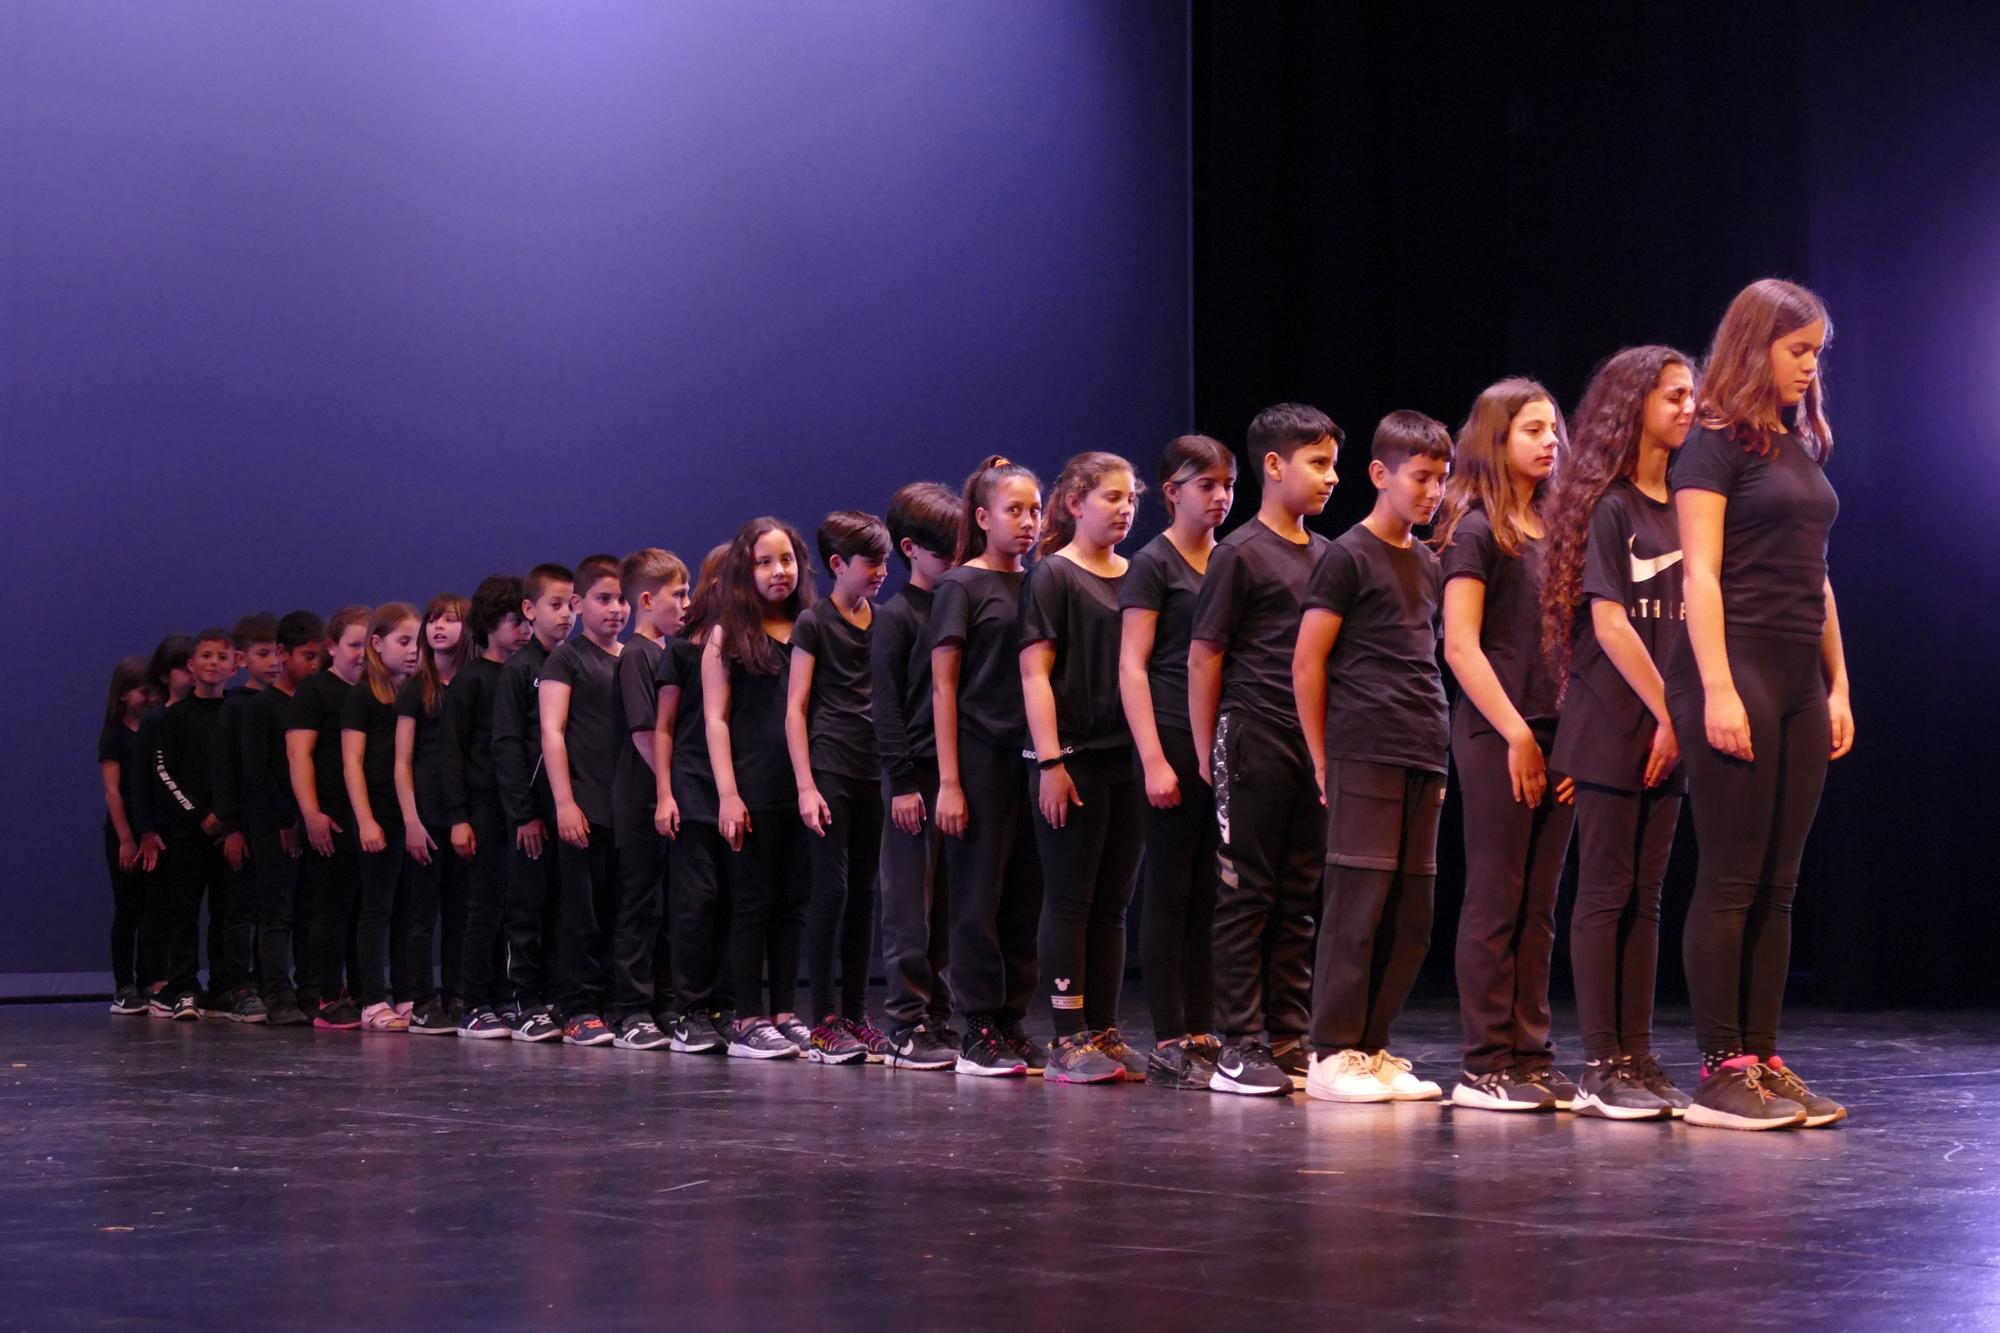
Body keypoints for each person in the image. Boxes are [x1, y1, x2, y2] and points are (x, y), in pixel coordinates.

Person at [1668, 278, 1852, 1131]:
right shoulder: (1713, 443)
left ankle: (1764, 1057)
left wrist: (1838, 682)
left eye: (1817, 352)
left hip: (1797, 677)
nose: (1812, 367)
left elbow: (1817, 577)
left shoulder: (1800, 445)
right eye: (1799, 350)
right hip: (1733, 665)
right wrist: (1715, 686)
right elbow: (1699, 572)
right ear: (1757, 345)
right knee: (1734, 875)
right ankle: (1719, 1065)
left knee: (1780, 884)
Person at [1541, 346, 1698, 1120]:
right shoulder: (1611, 507)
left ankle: (1636, 1052)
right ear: (1634, 404)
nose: (1689, 408)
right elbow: (1608, 621)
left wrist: (1685, 714)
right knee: (1606, 890)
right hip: (1615, 720)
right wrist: (1670, 710)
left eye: (1691, 395)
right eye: (1674, 395)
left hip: (1673, 722)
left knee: (1650, 893)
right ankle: (1600, 1062)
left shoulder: (1686, 505)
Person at [1294, 411, 1454, 1104]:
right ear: (1381, 474)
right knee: (1357, 903)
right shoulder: (1347, 555)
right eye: (1421, 477)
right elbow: (1307, 663)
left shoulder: (1428, 561)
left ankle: (1371, 1044)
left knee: (1411, 911)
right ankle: (1331, 1051)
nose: (1433, 492)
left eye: (1442, 479)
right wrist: (1322, 757)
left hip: (1424, 748)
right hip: (1363, 745)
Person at [1187, 404, 1338, 1094]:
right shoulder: (1239, 553)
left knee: (1300, 894)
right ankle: (1239, 1040)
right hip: (1251, 738)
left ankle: (1287, 1031)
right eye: (1317, 463)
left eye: (1334, 463)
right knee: (1247, 894)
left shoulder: (1332, 556)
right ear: (1274, 466)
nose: (1330, 477)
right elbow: (1203, 658)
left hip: (1313, 748)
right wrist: (1204, 752)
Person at [1437, 379, 1578, 1112]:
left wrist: (1573, 740)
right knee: (1497, 894)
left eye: (1552, 428)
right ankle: (1485, 1059)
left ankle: (1529, 1051)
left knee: (1541, 900)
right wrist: (1519, 732)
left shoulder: (1557, 530)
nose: (1550, 440)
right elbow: (1461, 646)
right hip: (1498, 728)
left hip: (1558, 729)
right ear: (1498, 439)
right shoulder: (1474, 532)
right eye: (1532, 429)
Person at [1020, 453, 1145, 1084]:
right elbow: (1035, 673)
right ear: (1075, 503)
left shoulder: (1138, 574)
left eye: (1132, 499)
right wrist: (1051, 761)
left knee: (1114, 903)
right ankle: (1066, 1036)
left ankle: (1104, 1027)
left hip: (1128, 760)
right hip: (1074, 759)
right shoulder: (1053, 576)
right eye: (1112, 497)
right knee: (1070, 899)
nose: (1125, 509)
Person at [1119, 435, 1234, 1089]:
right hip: (1167, 735)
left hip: (1219, 745)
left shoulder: (1230, 560)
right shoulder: (1153, 564)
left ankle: (1205, 1026)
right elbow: (1132, 666)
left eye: (1226, 486)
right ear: (1172, 492)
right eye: (1206, 485)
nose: (1219, 497)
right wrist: (1155, 758)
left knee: (1211, 891)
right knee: (1169, 889)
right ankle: (1170, 1034)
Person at [932, 456, 1046, 1076]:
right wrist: (949, 780)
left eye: (1035, 510)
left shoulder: (1041, 580)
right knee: (977, 892)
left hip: (1033, 755)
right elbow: (944, 687)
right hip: (978, 753)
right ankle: (975, 1023)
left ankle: (1012, 1020)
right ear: (982, 517)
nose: (1028, 522)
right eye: (1014, 510)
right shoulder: (961, 586)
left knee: (1025, 893)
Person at [704, 518, 818, 1059]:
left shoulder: (811, 628)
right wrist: (728, 793)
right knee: (752, 902)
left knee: (793, 903)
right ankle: (748, 1018)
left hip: (804, 788)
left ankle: (784, 1012)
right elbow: (716, 719)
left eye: (787, 560)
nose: (779, 572)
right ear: (744, 572)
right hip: (752, 787)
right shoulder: (727, 635)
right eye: (766, 562)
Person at [788, 511, 892, 1064]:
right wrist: (806, 785)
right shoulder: (815, 622)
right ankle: (823, 1019)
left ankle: (856, 1014)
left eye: (884, 561)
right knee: (832, 892)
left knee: (866, 896)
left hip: (873, 770)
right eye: (870, 562)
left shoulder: (884, 620)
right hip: (829, 768)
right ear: (837, 565)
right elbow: (796, 707)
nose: (880, 571)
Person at [871, 483, 964, 1070]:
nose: (954, 562)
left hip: (955, 772)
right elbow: (886, 705)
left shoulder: (957, 602)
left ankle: (940, 1013)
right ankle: (906, 1024)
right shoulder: (898, 616)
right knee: (910, 903)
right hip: (913, 777)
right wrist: (903, 782)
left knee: (951, 904)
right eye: (944, 553)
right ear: (910, 548)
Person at [541, 554, 631, 1047]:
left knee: (623, 912)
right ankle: (578, 1007)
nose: (615, 608)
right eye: (603, 599)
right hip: (584, 807)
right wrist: (564, 802)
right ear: (579, 604)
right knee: (582, 913)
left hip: (626, 809)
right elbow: (552, 732)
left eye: (620, 599)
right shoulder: (568, 658)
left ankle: (620, 1005)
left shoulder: (634, 656)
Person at [443, 575, 533, 1038]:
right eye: (513, 621)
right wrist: (458, 817)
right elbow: (454, 754)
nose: (523, 629)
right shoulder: (471, 681)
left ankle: (506, 997)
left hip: (518, 807)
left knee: (514, 908)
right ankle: (474, 1002)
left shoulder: (527, 673)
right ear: (489, 623)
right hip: (481, 808)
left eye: (525, 619)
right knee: (483, 908)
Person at [655, 545, 734, 1054]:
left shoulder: (751, 645)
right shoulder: (682, 648)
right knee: (695, 901)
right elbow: (664, 728)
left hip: (739, 787)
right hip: (692, 784)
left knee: (733, 900)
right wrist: (664, 792)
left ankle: (726, 1007)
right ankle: (688, 1009)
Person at [492, 563, 575, 1043]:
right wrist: (523, 813)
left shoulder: (569, 663)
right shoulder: (520, 670)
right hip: (530, 814)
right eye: (554, 605)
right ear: (530, 610)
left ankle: (557, 997)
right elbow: (508, 746)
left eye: (570, 605)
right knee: (525, 908)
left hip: (565, 811)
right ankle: (522, 1001)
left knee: (563, 909)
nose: (565, 615)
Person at [611, 548, 690, 1048]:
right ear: (646, 599)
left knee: (664, 910)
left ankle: (664, 1003)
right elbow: (645, 732)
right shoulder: (638, 654)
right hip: (642, 802)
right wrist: (670, 788)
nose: (686, 603)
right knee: (638, 909)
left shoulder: (666, 652)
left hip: (663, 801)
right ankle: (631, 1010)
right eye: (677, 594)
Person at [136, 628, 235, 1020]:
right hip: (186, 833)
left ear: (234, 665)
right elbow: (164, 773)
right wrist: (199, 814)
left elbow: (245, 771)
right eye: (205, 656)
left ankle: (224, 987)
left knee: (228, 912)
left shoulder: (238, 712)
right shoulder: (173, 718)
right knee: (184, 912)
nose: (213, 663)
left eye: (221, 656)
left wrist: (229, 820)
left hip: (229, 834)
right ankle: (183, 988)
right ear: (191, 666)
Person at [287, 605, 370, 1029]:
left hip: (368, 817)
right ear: (332, 647)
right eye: (353, 645)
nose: (361, 654)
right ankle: (327, 994)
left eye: (367, 646)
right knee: (331, 909)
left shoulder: (375, 692)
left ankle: (364, 992)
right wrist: (311, 813)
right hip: (332, 817)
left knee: (363, 909)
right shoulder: (316, 692)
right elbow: (299, 755)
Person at [394, 593, 473, 1034]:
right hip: (424, 814)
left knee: (462, 910)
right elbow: (403, 760)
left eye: (450, 620)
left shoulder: (473, 683)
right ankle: (421, 998)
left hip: (464, 814)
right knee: (422, 913)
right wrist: (410, 820)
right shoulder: (415, 688)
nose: (439, 627)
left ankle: (458, 993)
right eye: (433, 620)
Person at [342, 603, 423, 1032]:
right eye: (403, 641)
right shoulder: (363, 696)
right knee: (377, 908)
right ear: (377, 643)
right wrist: (365, 820)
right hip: (378, 816)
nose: (413, 650)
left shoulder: (416, 693)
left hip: (411, 817)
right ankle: (373, 998)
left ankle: (409, 993)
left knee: (411, 908)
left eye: (417, 642)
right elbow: (352, 763)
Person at [249, 610, 325, 1027]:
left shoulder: (315, 703)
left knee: (310, 911)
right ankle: (278, 993)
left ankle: (311, 990)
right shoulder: (263, 708)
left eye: (319, 658)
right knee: (277, 912)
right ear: (282, 654)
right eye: (307, 656)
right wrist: (285, 822)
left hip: (310, 825)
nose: (314, 667)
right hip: (276, 828)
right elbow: (259, 771)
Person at [98, 656, 155, 1015]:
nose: (148, 698)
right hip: (125, 833)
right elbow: (113, 793)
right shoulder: (115, 737)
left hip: (151, 831)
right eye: (141, 691)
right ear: (123, 695)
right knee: (129, 910)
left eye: (152, 691)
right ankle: (124, 985)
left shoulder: (153, 731)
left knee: (152, 911)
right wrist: (125, 839)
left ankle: (149, 980)